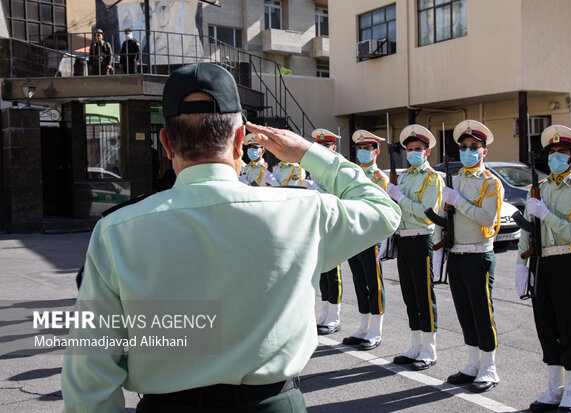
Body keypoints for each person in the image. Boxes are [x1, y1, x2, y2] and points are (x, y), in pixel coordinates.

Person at [60, 62, 401, 412]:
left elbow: (91, 367)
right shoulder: (302, 210)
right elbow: (383, 209)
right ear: (241, 141)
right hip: (272, 403)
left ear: (165, 142)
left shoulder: (118, 230)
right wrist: (306, 152)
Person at [515, 125, 571, 413]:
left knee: (569, 328)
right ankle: (554, 389)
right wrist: (521, 266)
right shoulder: (539, 188)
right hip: (541, 262)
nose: (555, 158)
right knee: (546, 328)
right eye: (551, 153)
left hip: (566, 263)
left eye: (561, 153)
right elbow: (527, 231)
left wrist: (548, 215)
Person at [434, 120, 504, 393]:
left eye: (473, 147)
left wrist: (459, 202)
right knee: (465, 311)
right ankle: (473, 363)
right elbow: (443, 216)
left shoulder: (491, 184)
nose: (467, 151)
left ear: (484, 152)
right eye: (463, 147)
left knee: (482, 312)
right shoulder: (455, 179)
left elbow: (488, 219)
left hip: (478, 255)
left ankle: (489, 367)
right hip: (457, 253)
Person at [386, 124, 443, 371]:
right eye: (409, 149)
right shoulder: (405, 176)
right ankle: (415, 345)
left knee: (424, 294)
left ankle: (429, 349)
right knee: (409, 295)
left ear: (427, 152)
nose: (413, 153)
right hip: (404, 239)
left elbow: (427, 214)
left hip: (421, 239)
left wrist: (400, 197)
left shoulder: (432, 178)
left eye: (418, 149)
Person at [342, 129, 389, 351]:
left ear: (376, 151)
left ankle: (375, 331)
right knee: (359, 282)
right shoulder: (352, 174)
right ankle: (363, 327)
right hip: (353, 235)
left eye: (367, 149)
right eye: (360, 148)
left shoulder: (380, 178)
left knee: (374, 283)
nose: (362, 152)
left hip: (370, 236)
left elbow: (376, 207)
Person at [310, 128, 343, 335]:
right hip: (319, 222)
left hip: (333, 222)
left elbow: (337, 194)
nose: (322, 151)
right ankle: (325, 311)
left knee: (334, 272)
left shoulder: (338, 168)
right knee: (322, 271)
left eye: (326, 147)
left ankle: (335, 316)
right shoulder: (315, 168)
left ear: (333, 148)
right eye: (319, 147)